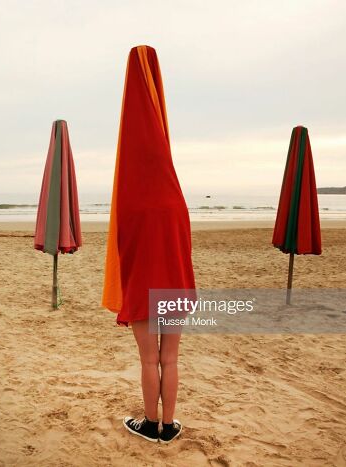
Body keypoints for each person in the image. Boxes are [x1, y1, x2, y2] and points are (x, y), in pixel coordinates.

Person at [102, 45, 196, 444]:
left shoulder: (131, 200)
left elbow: (123, 251)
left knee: (148, 359)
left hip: (142, 287)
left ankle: (148, 423)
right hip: (173, 285)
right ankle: (168, 427)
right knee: (170, 358)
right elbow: (184, 251)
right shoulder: (177, 199)